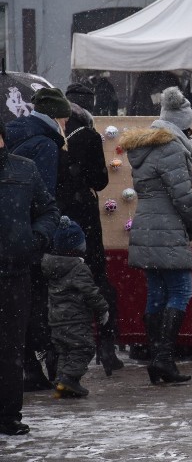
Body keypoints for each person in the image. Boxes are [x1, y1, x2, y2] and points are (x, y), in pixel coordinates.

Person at [119, 86, 192, 385]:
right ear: (181, 121)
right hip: (167, 228)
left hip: (146, 224)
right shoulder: (171, 148)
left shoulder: (146, 148)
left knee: (156, 292)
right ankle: (164, 359)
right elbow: (182, 197)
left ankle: (156, 358)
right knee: (181, 291)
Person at [5, 87, 72, 391]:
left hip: (10, 236)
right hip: (26, 242)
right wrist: (39, 237)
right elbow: (44, 198)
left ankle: (24, 369)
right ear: (57, 117)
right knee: (33, 306)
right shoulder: (45, 145)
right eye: (65, 120)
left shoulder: (16, 132)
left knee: (16, 311)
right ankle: (32, 370)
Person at [0, 118, 60, 435]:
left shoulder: (23, 169)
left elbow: (48, 210)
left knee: (10, 347)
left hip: (14, 271)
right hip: (14, 268)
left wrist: (35, 240)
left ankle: (8, 415)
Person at [58, 84, 123, 374]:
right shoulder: (88, 135)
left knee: (61, 281)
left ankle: (60, 352)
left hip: (57, 214)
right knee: (97, 277)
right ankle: (106, 346)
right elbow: (99, 181)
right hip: (83, 213)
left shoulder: (52, 134)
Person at [42, 217, 110, 398]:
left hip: (56, 319)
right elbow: (90, 292)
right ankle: (69, 379)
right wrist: (103, 308)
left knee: (65, 350)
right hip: (76, 319)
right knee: (83, 348)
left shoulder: (52, 266)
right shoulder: (78, 268)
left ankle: (61, 382)